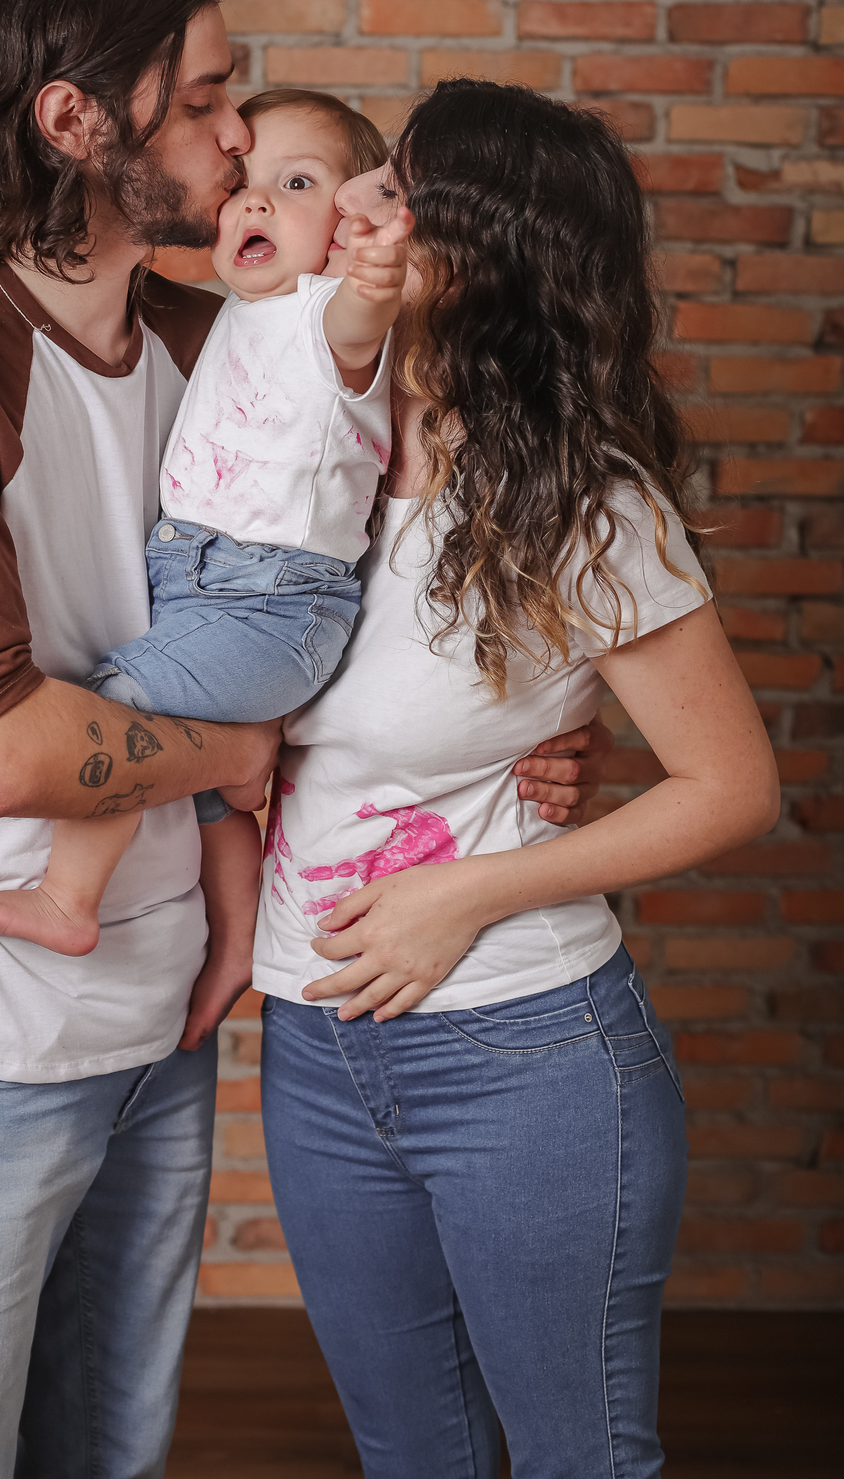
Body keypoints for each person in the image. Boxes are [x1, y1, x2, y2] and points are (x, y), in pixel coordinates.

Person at [0, 0, 610, 1479]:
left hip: (170, 1011)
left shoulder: (228, 336)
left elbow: (420, 574)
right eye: (205, 99)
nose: (240, 136)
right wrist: (240, 746)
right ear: (73, 119)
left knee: (110, 1449)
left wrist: (550, 742)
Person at [256, 79, 781, 1479]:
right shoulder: (302, 436)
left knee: (578, 1461)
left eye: (397, 190)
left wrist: (471, 891)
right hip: (314, 1044)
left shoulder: (583, 504)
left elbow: (732, 786)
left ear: (481, 253)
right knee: (410, 1456)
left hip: (525, 1056)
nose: (353, 201)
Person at [0, 91, 412, 1042]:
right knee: (203, 793)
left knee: (114, 709)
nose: (258, 203)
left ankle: (70, 899)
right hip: (205, 591)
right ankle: (238, 937)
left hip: (273, 605)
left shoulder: (328, 318)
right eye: (245, 187)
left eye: (297, 185)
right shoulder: (235, 315)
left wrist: (374, 266)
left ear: (342, 227)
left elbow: (364, 312)